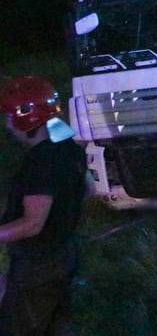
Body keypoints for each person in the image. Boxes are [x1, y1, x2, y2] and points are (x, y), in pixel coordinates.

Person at [0, 76, 87, 336]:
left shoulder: (40, 162)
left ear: (24, 117)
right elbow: (88, 189)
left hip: (39, 265)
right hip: (64, 253)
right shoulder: (68, 147)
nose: (6, 124)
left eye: (8, 116)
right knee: (56, 327)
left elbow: (32, 224)